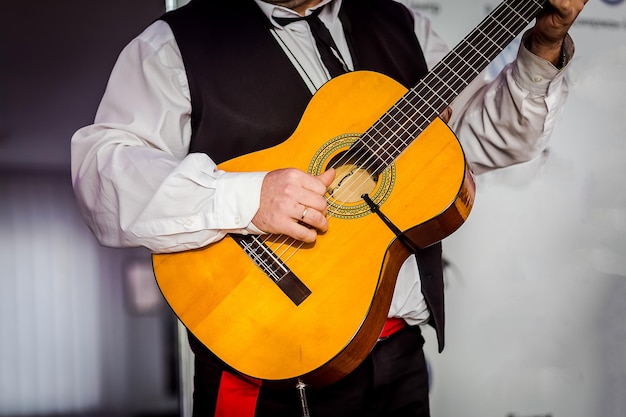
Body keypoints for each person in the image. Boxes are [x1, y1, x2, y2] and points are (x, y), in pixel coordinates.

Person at [71, 0, 587, 415]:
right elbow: (102, 177)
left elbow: (487, 140)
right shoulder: (175, 45)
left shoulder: (400, 24)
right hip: (265, 369)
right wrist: (247, 198)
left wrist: (542, 48)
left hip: (399, 358)